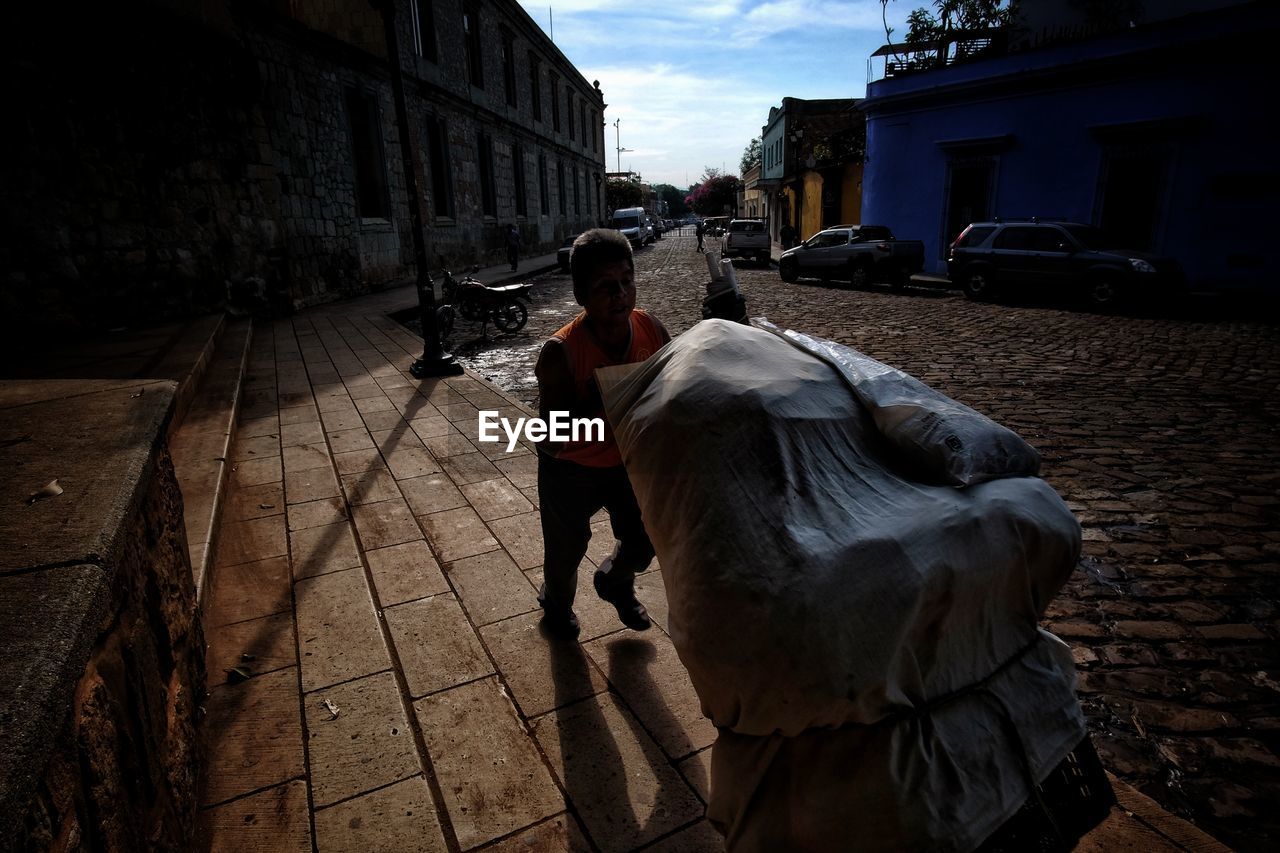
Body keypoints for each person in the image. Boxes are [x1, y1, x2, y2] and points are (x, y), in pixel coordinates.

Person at [534, 228, 671, 640]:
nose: (621, 294)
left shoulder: (650, 329)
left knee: (646, 539)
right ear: (581, 295)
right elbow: (548, 437)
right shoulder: (560, 353)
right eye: (606, 286)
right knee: (566, 550)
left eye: (627, 281)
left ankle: (615, 581)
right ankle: (556, 608)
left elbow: (670, 391)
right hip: (570, 470)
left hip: (627, 462)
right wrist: (591, 401)